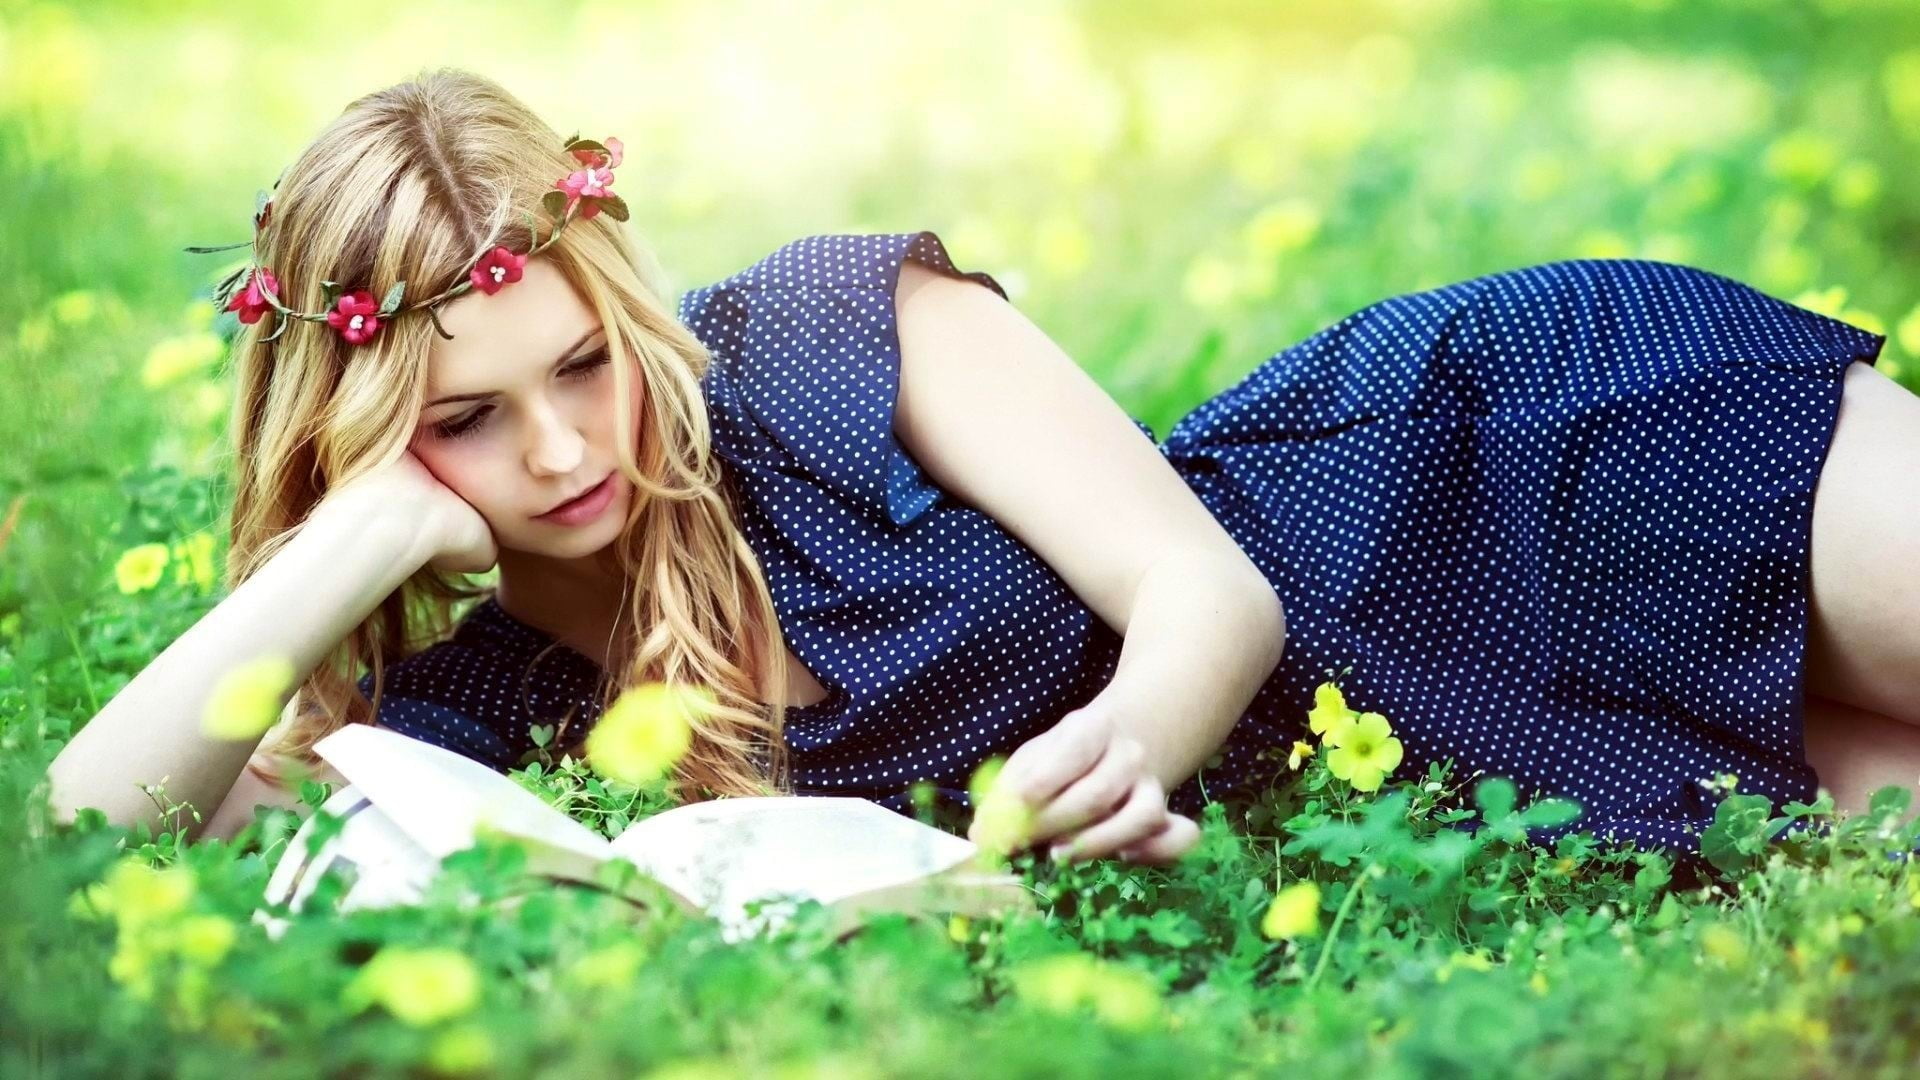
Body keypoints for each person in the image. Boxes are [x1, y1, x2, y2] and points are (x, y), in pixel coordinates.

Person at [44, 67, 1920, 876]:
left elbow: (1210, 595)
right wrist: (351, 544)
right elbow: (93, 841)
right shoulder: (494, 714)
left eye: (584, 368)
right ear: (366, 429)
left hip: (1508, 471)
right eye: (459, 420)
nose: (556, 451)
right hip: (1478, 749)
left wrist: (1127, 754)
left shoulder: (810, 339)